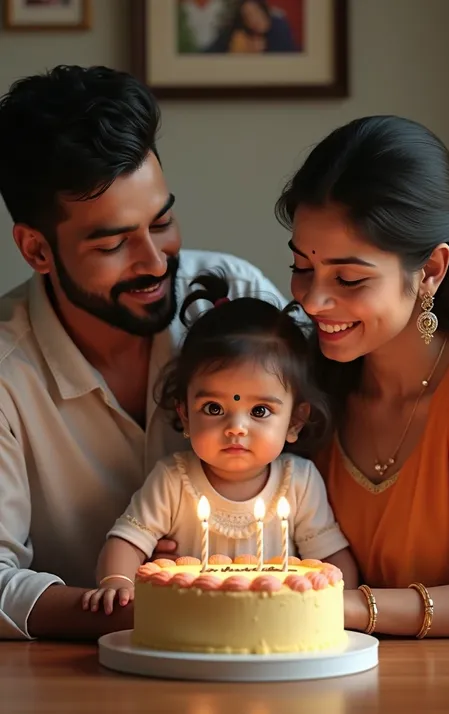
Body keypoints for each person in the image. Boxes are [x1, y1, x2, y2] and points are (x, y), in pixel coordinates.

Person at [0, 65, 285, 641]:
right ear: (37, 250)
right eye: (113, 243)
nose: (155, 261)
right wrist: (146, 606)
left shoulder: (238, 298)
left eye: (163, 222)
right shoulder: (8, 369)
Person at [276, 115, 449, 638]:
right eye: (301, 266)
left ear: (431, 269)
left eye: (348, 278)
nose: (313, 301)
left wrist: (343, 610)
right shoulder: (303, 388)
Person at [81, 271, 358, 614]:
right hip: (187, 629)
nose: (236, 428)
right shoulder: (172, 480)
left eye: (259, 410)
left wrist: (337, 602)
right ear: (184, 414)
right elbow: (125, 542)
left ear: (295, 421)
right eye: (214, 408)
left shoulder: (298, 482)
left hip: (275, 630)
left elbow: (331, 558)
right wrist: (117, 583)